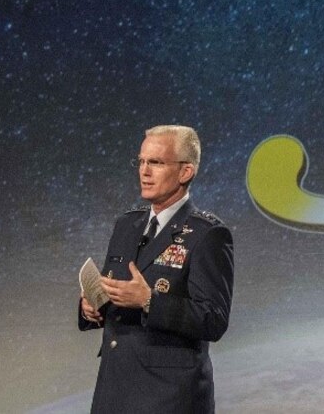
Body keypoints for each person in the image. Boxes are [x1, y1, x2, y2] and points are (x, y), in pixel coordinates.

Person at [79, 125, 234, 413]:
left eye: (156, 162)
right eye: (141, 161)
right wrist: (92, 307)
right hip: (113, 392)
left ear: (185, 172)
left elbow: (213, 319)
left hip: (168, 397)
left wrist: (150, 301)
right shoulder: (126, 225)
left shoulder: (207, 233)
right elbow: (115, 289)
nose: (144, 171)